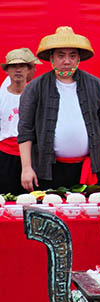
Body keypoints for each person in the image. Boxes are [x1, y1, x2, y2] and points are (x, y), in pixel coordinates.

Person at [18, 26, 100, 191]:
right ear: (51, 58)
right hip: (48, 170)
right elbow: (25, 130)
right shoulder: (35, 87)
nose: (67, 61)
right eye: (61, 55)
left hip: (88, 168)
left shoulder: (97, 85)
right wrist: (26, 167)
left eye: (72, 56)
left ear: (78, 58)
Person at [0, 49, 37, 194]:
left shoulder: (36, 96)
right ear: (7, 70)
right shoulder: (2, 96)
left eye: (22, 66)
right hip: (5, 155)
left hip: (31, 154)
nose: (18, 70)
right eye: (14, 66)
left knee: (32, 197)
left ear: (29, 70)